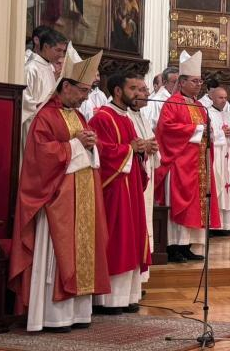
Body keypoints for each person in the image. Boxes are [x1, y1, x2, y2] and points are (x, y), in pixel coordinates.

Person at [9, 50, 111, 333]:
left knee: (82, 252)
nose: (86, 98)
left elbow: (88, 151)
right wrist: (77, 144)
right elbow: (41, 157)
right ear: (66, 86)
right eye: (83, 91)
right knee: (57, 254)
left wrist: (92, 143)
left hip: (82, 198)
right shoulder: (46, 116)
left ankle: (77, 313)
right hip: (56, 200)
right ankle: (53, 317)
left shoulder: (78, 115)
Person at [89, 72, 151, 314]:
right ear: (117, 91)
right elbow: (100, 152)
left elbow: (131, 148)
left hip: (130, 187)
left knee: (132, 238)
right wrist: (129, 149)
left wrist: (142, 150)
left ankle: (128, 297)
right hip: (114, 189)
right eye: (133, 88)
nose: (138, 93)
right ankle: (109, 300)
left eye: (140, 88)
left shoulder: (125, 118)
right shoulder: (102, 117)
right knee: (118, 240)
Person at [154, 51, 220, 263]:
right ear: (181, 82)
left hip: (197, 165)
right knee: (178, 205)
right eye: (194, 81)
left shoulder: (199, 106)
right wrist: (198, 130)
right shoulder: (173, 103)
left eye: (200, 81)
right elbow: (166, 129)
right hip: (179, 164)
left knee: (195, 207)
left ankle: (187, 246)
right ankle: (173, 246)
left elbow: (206, 129)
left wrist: (209, 132)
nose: (199, 85)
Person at [127, 78, 159, 283]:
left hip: (146, 173)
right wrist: (143, 148)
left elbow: (150, 141)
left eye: (146, 90)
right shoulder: (123, 116)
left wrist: (153, 148)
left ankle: (139, 280)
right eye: (141, 90)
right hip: (132, 177)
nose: (147, 94)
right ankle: (133, 281)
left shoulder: (142, 116)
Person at [22, 29, 68, 151]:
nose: (61, 55)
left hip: (47, 123)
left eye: (63, 51)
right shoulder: (31, 68)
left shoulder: (48, 68)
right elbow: (23, 99)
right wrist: (43, 107)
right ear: (46, 46)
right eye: (58, 50)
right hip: (33, 123)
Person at [207, 87, 230, 234]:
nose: (224, 100)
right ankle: (212, 225)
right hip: (216, 155)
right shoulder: (207, 113)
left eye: (225, 98)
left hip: (228, 154)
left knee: (227, 186)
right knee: (216, 186)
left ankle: (224, 225)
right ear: (212, 98)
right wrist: (221, 133)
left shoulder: (229, 115)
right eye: (221, 97)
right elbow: (208, 134)